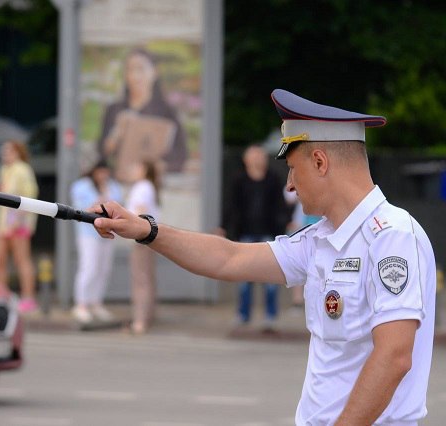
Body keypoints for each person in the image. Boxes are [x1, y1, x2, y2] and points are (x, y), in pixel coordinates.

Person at [91, 89, 436, 425]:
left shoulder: (391, 236)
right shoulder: (323, 238)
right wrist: (145, 230)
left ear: (319, 161)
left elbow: (394, 356)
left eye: (292, 168)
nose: (289, 184)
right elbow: (228, 258)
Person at [218, 145, 288, 331]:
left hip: (268, 233)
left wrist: (283, 225)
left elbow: (280, 206)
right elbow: (231, 205)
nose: (258, 160)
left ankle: (270, 316)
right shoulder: (239, 181)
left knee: (271, 279)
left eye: (261, 156)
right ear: (246, 159)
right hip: (245, 233)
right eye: (254, 156)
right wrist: (224, 227)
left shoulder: (273, 180)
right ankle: (243, 314)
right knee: (244, 278)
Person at [97, 47, 187, 183]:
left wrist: (150, 169)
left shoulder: (166, 111)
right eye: (130, 69)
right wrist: (117, 132)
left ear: (154, 72)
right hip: (116, 185)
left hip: (151, 187)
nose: (135, 76)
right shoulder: (115, 110)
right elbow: (102, 154)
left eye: (141, 69)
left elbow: (180, 155)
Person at [69, 159, 123, 324]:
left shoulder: (113, 186)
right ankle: (81, 304)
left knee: (103, 268)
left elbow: (119, 206)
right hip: (88, 234)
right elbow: (80, 209)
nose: (103, 176)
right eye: (100, 172)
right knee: (89, 267)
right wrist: (97, 202)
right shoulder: (81, 186)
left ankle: (95, 302)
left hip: (108, 232)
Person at [0, 140, 39, 313]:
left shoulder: (22, 169)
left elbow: (29, 195)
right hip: (2, 222)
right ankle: (0, 295)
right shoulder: (4, 170)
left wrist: (18, 221)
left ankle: (28, 297)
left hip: (18, 223)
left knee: (22, 260)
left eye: (9, 151)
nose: (5, 154)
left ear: (18, 152)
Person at [126, 161, 161, 334]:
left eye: (137, 167)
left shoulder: (142, 186)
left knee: (140, 280)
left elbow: (140, 212)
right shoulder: (149, 186)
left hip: (142, 238)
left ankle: (139, 320)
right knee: (147, 278)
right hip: (150, 237)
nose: (133, 170)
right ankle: (148, 316)